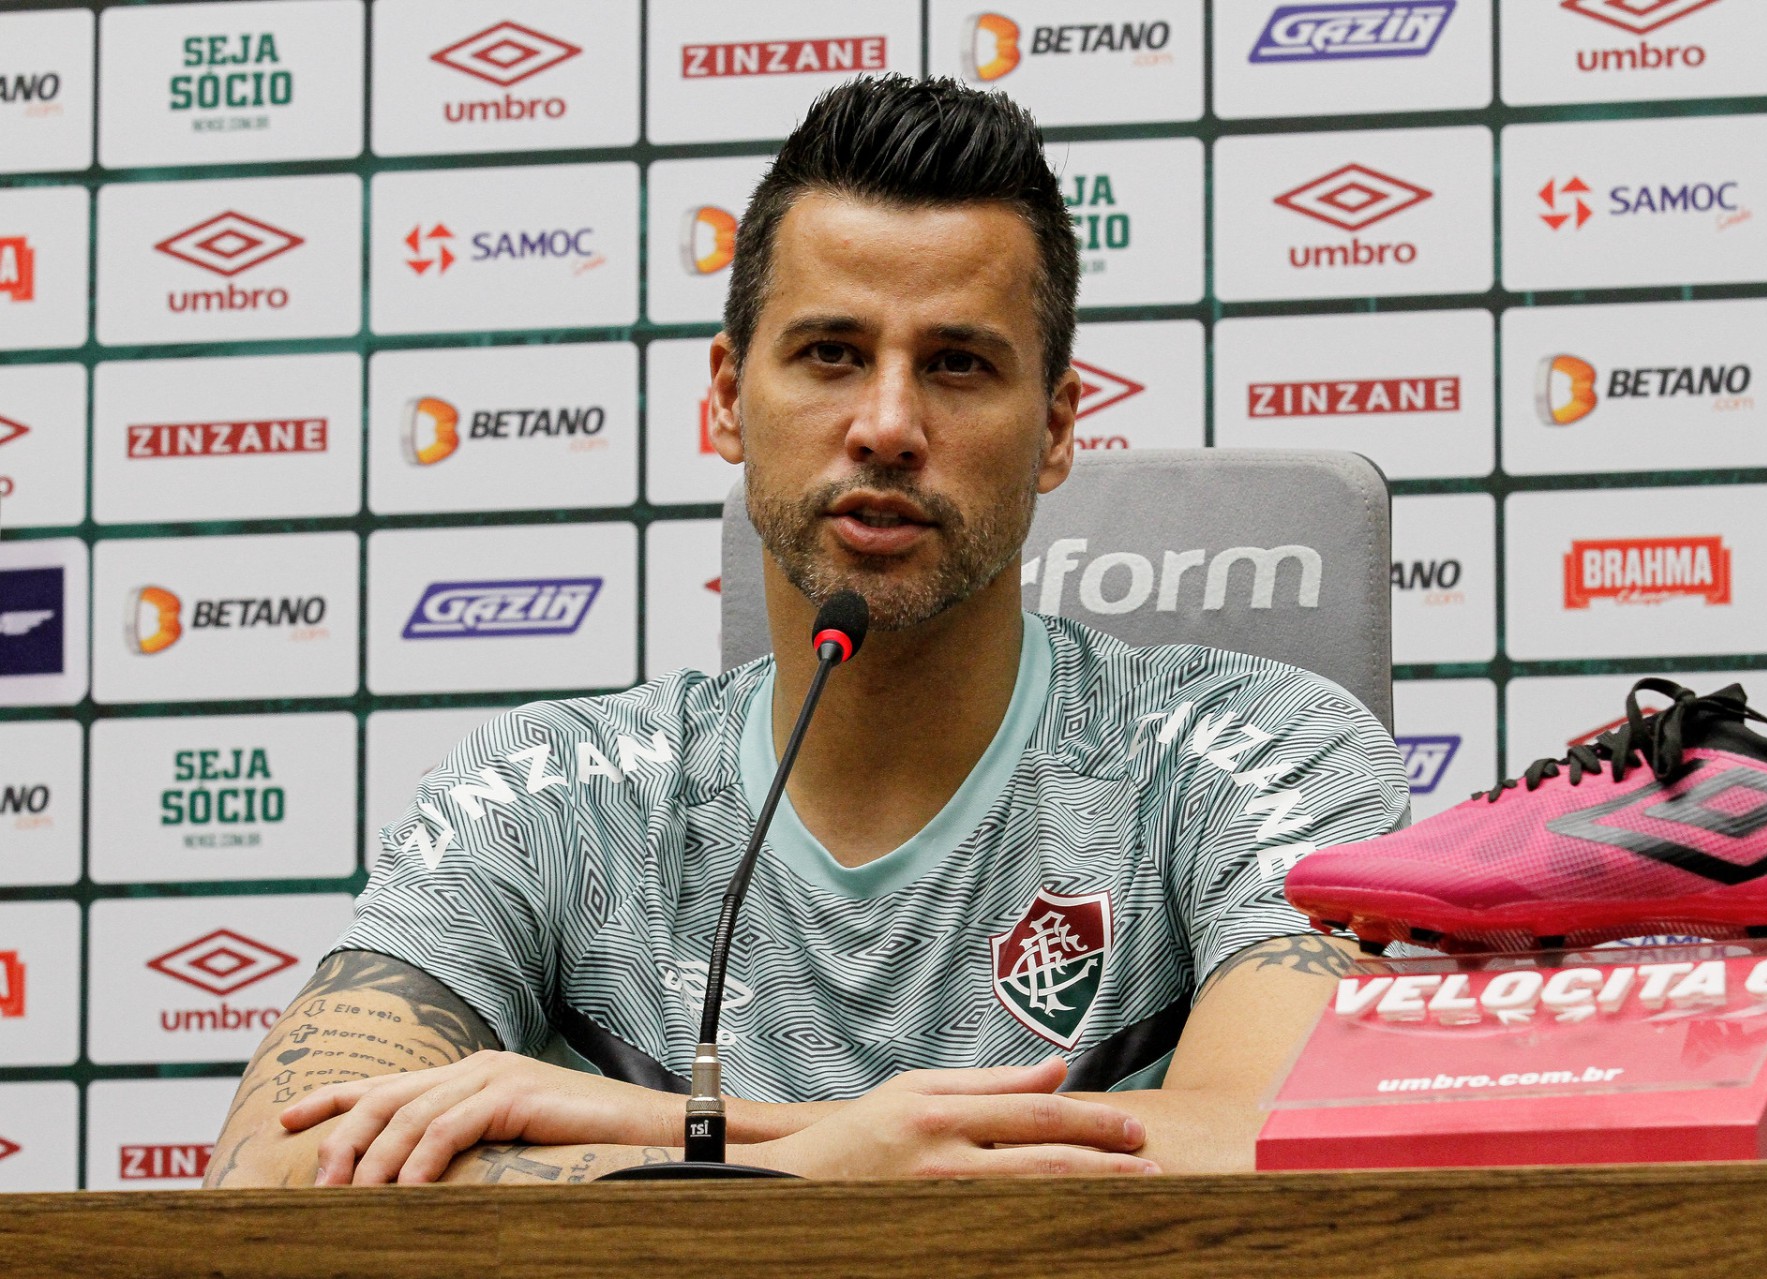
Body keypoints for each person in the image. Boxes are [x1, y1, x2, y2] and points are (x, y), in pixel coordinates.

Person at [206, 75, 1406, 1188]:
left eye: (957, 365)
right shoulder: (548, 794)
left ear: (1053, 427)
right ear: (729, 396)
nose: (886, 423)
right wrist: (826, 1163)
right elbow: (273, 1170)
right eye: (831, 354)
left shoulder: (1261, 749)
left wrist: (704, 1140)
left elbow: (1309, 1145)